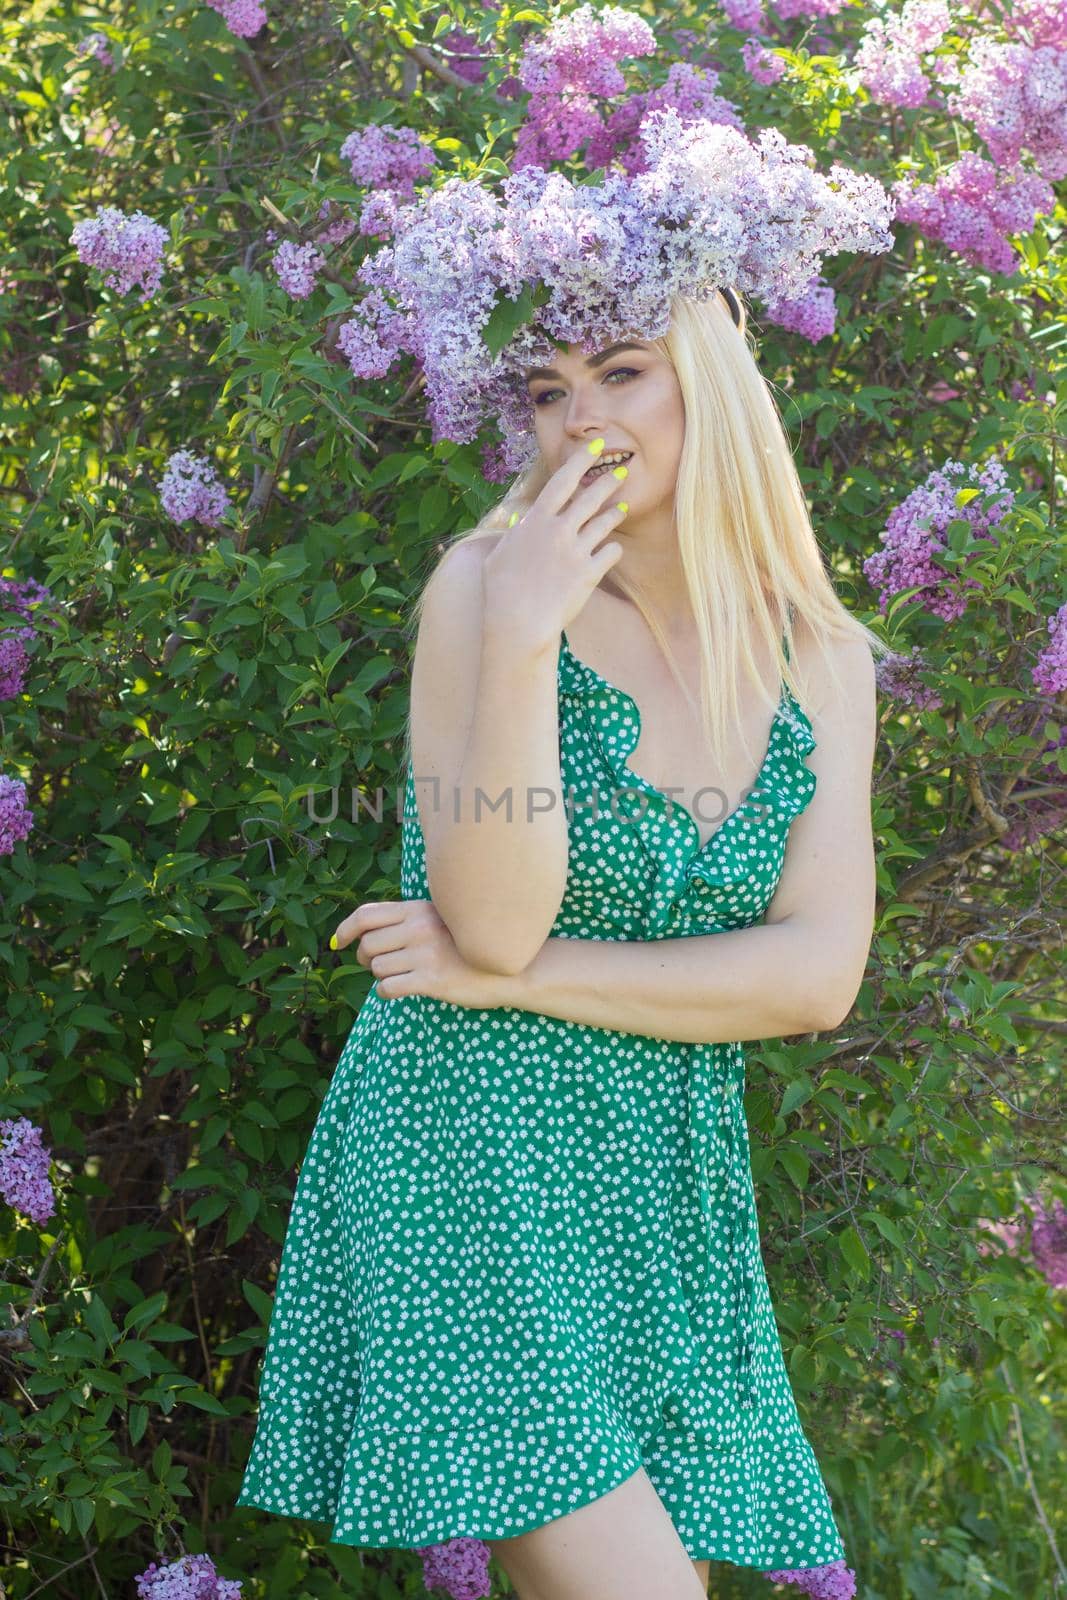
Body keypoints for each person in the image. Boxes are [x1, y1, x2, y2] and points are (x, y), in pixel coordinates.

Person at [236, 286, 885, 1600]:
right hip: (467, 1167)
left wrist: (512, 983)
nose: (579, 422)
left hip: (658, 1190)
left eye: (622, 375)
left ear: (713, 389)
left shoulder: (819, 655)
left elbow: (815, 978)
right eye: (546, 393)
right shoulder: (486, 587)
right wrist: (528, 631)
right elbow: (497, 913)